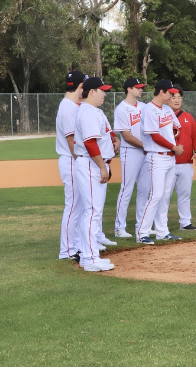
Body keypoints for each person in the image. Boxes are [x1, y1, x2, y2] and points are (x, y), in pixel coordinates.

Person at [74, 77, 118, 272]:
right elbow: (90, 143)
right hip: (91, 165)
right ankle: (90, 258)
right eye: (102, 90)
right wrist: (102, 167)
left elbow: (104, 136)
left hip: (94, 164)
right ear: (92, 92)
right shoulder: (87, 112)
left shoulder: (94, 111)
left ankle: (87, 256)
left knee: (91, 212)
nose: (104, 94)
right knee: (92, 212)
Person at [135, 79, 183, 244]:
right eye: (170, 93)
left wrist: (175, 136)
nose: (172, 96)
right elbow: (154, 136)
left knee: (165, 196)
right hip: (156, 156)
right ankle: (142, 233)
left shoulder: (167, 109)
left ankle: (162, 231)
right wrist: (173, 146)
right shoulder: (149, 110)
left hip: (170, 157)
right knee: (155, 195)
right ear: (162, 92)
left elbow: (177, 127)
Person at [161, 85, 196, 231]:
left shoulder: (188, 117)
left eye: (179, 97)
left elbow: (195, 137)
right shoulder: (162, 116)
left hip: (186, 162)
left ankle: (185, 222)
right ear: (167, 99)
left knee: (185, 194)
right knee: (164, 195)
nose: (177, 100)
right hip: (168, 161)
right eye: (173, 97)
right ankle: (161, 224)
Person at [113, 77, 147, 238]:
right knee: (126, 189)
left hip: (145, 152)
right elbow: (126, 136)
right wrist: (147, 146)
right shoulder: (121, 109)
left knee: (145, 189)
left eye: (141, 87)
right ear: (129, 89)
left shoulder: (144, 106)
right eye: (138, 87)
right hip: (130, 151)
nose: (141, 89)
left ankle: (142, 225)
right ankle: (119, 228)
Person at [57, 70, 85, 261]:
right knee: (73, 205)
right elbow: (71, 141)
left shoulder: (73, 105)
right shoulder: (68, 107)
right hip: (71, 159)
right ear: (80, 86)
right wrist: (82, 161)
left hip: (75, 160)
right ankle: (67, 250)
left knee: (80, 206)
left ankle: (76, 246)